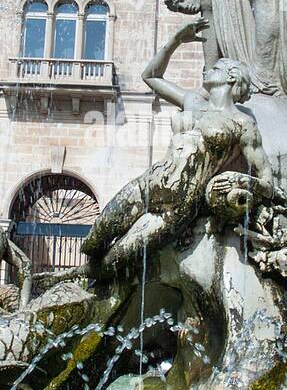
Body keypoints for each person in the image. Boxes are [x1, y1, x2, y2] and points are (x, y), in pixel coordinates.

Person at [80, 15, 275, 277]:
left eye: (215, 68)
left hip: (179, 204)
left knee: (110, 264)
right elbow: (150, 76)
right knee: (92, 243)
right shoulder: (193, 101)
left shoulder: (243, 124)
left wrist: (236, 183)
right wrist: (175, 41)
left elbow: (266, 180)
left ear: (231, 77)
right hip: (148, 184)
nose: (207, 70)